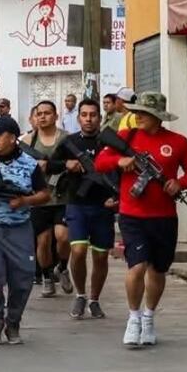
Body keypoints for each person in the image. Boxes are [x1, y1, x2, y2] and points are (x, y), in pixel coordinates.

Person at [96, 92, 187, 348]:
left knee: (157, 269)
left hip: (164, 216)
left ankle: (149, 316)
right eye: (136, 112)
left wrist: (180, 183)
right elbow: (100, 162)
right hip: (132, 215)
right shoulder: (127, 137)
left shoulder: (177, 142)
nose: (137, 116)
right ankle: (133, 318)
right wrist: (121, 161)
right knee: (137, 266)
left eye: (143, 113)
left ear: (157, 116)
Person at [0, 115, 51, 346]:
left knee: (22, 279)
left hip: (19, 228)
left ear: (13, 138)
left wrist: (24, 201)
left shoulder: (30, 164)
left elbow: (45, 194)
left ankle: (13, 321)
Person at [51, 98, 118, 320]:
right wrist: (66, 165)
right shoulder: (69, 142)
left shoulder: (109, 143)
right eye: (84, 115)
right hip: (77, 205)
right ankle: (80, 294)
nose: (88, 119)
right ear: (78, 117)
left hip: (103, 206)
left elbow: (123, 171)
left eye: (93, 115)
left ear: (100, 117)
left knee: (100, 258)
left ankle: (94, 299)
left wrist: (116, 198)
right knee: (78, 251)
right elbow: (48, 165)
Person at [21, 100, 71, 298]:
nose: (43, 117)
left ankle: (63, 267)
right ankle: (47, 276)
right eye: (39, 113)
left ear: (56, 116)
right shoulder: (27, 141)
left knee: (63, 237)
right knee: (42, 242)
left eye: (47, 113)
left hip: (63, 196)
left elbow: (74, 163)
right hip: (38, 198)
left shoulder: (66, 139)